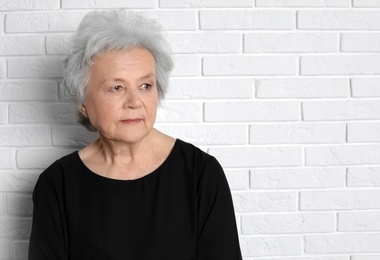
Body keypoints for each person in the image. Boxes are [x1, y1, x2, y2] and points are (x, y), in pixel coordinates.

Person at [28, 9, 242, 260]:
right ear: (82, 101)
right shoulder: (57, 185)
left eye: (145, 86)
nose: (134, 101)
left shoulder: (200, 175)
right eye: (116, 87)